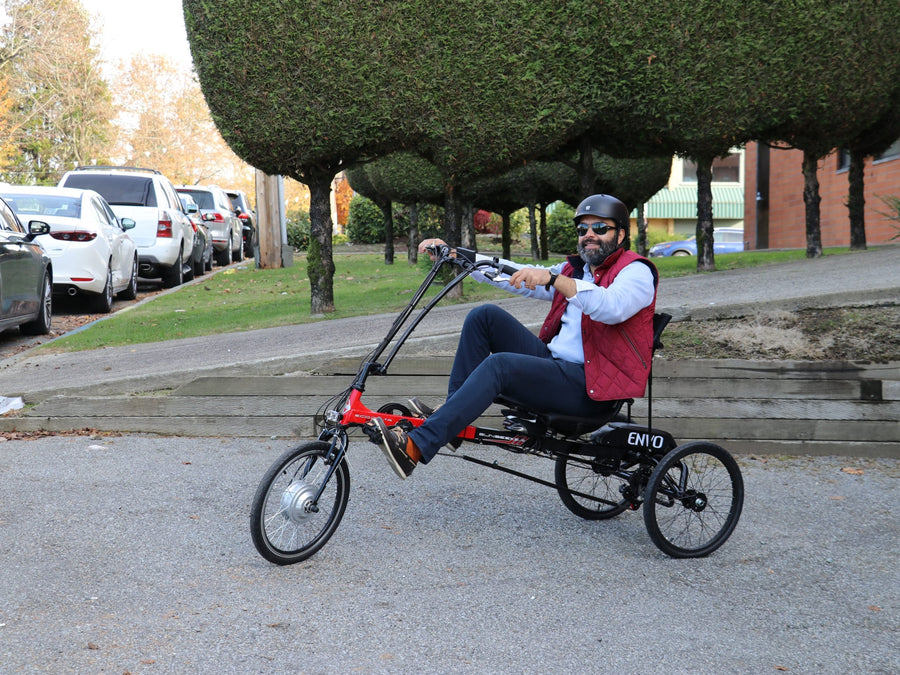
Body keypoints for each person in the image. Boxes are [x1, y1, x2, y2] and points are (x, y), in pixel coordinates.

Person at [365, 193, 659, 479]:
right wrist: (459, 256)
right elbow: (517, 275)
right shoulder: (575, 271)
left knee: (500, 365)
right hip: (557, 368)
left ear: (621, 234)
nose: (589, 235)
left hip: (590, 388)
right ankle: (450, 421)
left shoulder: (636, 272)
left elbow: (612, 307)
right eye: (583, 229)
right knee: (484, 316)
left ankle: (416, 447)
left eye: (600, 228)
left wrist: (556, 280)